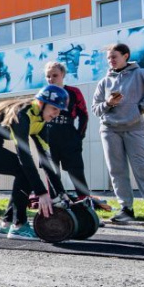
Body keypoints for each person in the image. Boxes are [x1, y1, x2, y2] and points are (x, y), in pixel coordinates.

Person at [0, 85, 68, 240]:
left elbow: (46, 160)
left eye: (59, 110)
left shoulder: (40, 121)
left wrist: (60, 192)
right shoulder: (22, 114)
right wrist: (41, 193)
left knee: (24, 172)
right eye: (54, 108)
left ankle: (6, 224)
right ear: (40, 103)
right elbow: (24, 156)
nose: (56, 114)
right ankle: (19, 225)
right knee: (24, 171)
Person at [92, 43, 144, 223]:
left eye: (114, 57)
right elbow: (96, 109)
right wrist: (109, 103)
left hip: (134, 128)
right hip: (109, 129)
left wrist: (140, 107)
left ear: (125, 56)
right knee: (117, 170)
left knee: (142, 168)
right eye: (108, 58)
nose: (110, 61)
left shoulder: (141, 74)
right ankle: (126, 210)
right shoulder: (104, 82)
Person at [43, 61, 91, 200]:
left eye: (55, 75)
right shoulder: (43, 94)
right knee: (51, 172)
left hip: (68, 134)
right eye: (48, 76)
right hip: (48, 135)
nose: (51, 79)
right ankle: (55, 202)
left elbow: (84, 114)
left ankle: (85, 202)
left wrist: (79, 136)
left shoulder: (74, 92)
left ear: (62, 74)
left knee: (76, 171)